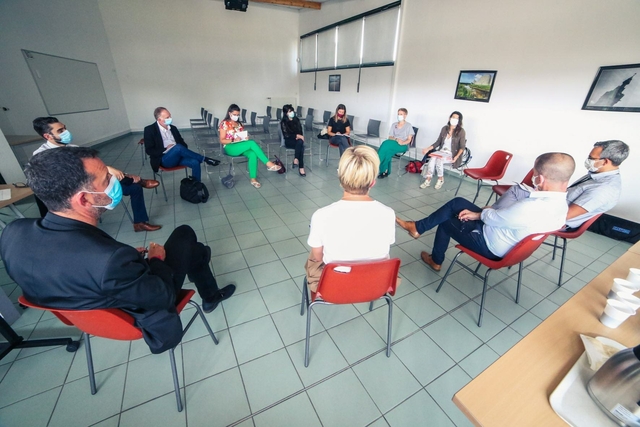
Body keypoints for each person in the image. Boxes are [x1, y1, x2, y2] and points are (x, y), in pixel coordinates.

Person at [0, 147, 235, 354]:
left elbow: (68, 265)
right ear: (84, 199)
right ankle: (209, 288)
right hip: (137, 313)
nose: (116, 180)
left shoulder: (13, 233)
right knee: (185, 235)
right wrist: (154, 260)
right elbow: (162, 296)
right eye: (106, 179)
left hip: (86, 314)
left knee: (193, 251)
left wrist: (126, 264)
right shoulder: (108, 259)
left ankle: (206, 275)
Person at [396, 153, 575, 271]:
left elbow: (494, 219)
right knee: (458, 203)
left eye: (534, 175)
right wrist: (485, 212)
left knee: (447, 219)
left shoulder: (530, 207)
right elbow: (507, 217)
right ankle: (417, 227)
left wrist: (480, 213)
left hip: (491, 244)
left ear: (540, 178)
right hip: (513, 244)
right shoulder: (562, 207)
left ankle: (434, 258)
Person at [32, 116, 161, 232]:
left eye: (65, 128)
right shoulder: (41, 157)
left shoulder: (74, 148)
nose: (66, 132)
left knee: (135, 189)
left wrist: (111, 172)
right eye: (60, 131)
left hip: (94, 184)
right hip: (78, 195)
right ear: (47, 136)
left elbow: (96, 170)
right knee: (112, 177)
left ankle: (139, 223)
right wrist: (108, 170)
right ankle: (137, 180)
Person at [305, 146, 395, 292]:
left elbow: (319, 257)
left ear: (340, 177)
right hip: (374, 284)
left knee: (315, 250)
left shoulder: (321, 216)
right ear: (373, 182)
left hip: (335, 285)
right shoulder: (388, 213)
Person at [492, 140, 629, 230]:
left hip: (558, 218)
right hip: (554, 203)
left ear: (605, 161)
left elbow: (565, 215)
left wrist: (535, 203)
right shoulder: (598, 174)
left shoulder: (604, 189)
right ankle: (493, 216)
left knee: (518, 198)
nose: (588, 160)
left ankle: (491, 218)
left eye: (591, 158)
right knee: (518, 190)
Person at [143, 107, 220, 182]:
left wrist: (179, 149)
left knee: (195, 162)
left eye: (170, 115)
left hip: (178, 156)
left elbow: (183, 144)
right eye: (167, 117)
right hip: (164, 159)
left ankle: (196, 187)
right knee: (178, 147)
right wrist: (166, 148)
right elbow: (149, 151)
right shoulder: (149, 130)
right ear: (159, 119)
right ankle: (205, 159)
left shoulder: (173, 128)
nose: (170, 118)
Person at [218, 103, 281, 189]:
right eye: (234, 114)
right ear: (229, 113)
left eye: (238, 115)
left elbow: (240, 136)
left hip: (240, 146)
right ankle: (268, 163)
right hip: (230, 147)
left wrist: (244, 138)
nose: (236, 116)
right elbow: (222, 140)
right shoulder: (224, 124)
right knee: (251, 143)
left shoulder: (239, 124)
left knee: (252, 154)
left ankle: (253, 179)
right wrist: (233, 140)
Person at [420, 111, 467, 190]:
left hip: (452, 154)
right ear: (449, 118)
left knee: (439, 161)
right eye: (453, 117)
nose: (454, 119)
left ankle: (440, 179)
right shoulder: (444, 128)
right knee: (432, 159)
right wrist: (427, 148)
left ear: (459, 121)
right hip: (441, 151)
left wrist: (456, 157)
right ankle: (428, 179)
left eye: (456, 118)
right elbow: (438, 142)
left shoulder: (461, 131)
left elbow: (462, 147)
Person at [376, 108, 415, 178]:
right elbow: (390, 137)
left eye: (401, 114)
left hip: (403, 145)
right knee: (388, 152)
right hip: (393, 142)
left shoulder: (408, 125)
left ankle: (375, 164)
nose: (399, 115)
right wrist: (396, 139)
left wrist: (402, 143)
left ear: (405, 115)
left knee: (385, 144)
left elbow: (409, 140)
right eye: (398, 114)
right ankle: (384, 172)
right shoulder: (394, 124)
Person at [280, 104, 306, 177]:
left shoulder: (296, 120)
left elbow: (300, 131)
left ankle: (296, 159)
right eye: (289, 111)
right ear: (286, 113)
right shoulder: (283, 122)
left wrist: (299, 136)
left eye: (292, 111)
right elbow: (286, 135)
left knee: (300, 143)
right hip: (289, 141)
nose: (292, 112)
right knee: (301, 146)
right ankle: (301, 168)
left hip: (298, 140)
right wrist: (296, 136)